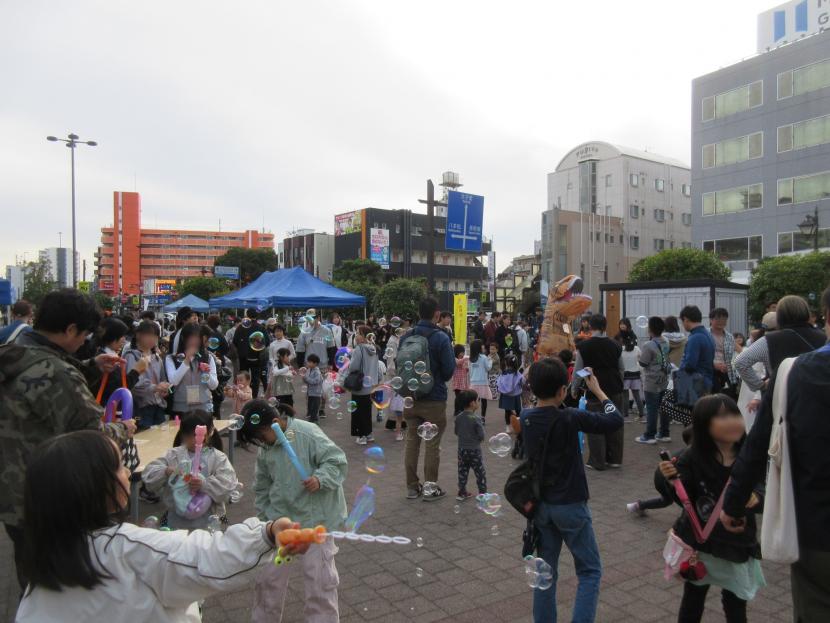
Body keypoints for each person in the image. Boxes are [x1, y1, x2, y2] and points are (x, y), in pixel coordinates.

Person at [16, 429, 307, 622]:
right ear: (91, 486)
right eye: (119, 465)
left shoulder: (39, 573)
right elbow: (207, 557)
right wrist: (267, 533)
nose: (127, 471)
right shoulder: (130, 548)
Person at [0, 289, 133, 593]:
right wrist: (123, 428)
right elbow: (93, 435)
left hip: (13, 491)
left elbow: (40, 388)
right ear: (71, 329)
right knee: (60, 583)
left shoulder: (15, 353)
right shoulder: (57, 374)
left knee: (31, 573)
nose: (84, 342)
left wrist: (90, 366)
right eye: (84, 335)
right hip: (50, 495)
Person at [721, 286, 830, 622]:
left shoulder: (789, 366)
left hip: (815, 524)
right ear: (812, 316)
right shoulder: (812, 342)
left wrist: (734, 503)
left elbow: (755, 447)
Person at [520, 358, 623, 623]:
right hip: (571, 505)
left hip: (542, 508)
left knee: (545, 572)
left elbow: (546, 411)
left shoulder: (526, 417)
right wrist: (598, 391)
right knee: (589, 571)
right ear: (562, 391)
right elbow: (615, 419)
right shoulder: (570, 417)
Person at [238, 400, 348, 623]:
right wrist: (265, 523)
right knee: (268, 582)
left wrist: (320, 478)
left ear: (275, 422)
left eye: (261, 436)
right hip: (280, 522)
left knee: (320, 584)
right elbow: (262, 486)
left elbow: (336, 461)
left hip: (316, 521)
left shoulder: (307, 433)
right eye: (257, 439)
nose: (261, 442)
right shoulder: (266, 448)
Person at [658, 394, 765, 622]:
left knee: (736, 604)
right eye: (722, 417)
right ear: (704, 425)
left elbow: (762, 487)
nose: (733, 421)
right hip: (700, 544)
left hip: (736, 542)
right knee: (693, 599)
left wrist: (756, 497)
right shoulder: (691, 457)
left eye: (735, 414)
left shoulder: (750, 456)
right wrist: (671, 480)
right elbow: (683, 499)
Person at [142, 412, 238, 530]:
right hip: (176, 523)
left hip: (206, 523)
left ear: (210, 432)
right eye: (189, 435)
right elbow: (149, 475)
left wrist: (204, 484)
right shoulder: (174, 455)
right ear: (182, 435)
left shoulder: (218, 458)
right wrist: (166, 471)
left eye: (197, 435)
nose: (194, 440)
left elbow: (228, 484)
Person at [403, 297, 456, 501]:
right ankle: (430, 488)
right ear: (437, 314)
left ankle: (411, 487)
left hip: (411, 396)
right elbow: (449, 371)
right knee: (432, 444)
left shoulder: (407, 336)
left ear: (418, 313)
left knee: (412, 442)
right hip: (434, 398)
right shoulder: (441, 337)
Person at [734, 295, 825, 396]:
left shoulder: (769, 340)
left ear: (780, 315)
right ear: (806, 313)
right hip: (819, 397)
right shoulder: (823, 337)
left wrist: (760, 385)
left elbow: (740, 362)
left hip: (781, 396)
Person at [572, 314, 625, 471]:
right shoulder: (616, 345)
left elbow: (578, 371)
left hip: (594, 389)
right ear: (605, 327)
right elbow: (621, 368)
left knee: (595, 424)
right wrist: (618, 382)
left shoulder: (584, 346)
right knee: (615, 423)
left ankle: (598, 461)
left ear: (590, 326)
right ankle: (615, 459)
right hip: (615, 389)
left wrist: (574, 388)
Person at [627, 425, 693, 516]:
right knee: (687, 504)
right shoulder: (692, 455)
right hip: (665, 478)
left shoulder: (691, 451)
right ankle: (638, 506)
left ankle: (638, 505)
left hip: (662, 475)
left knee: (667, 500)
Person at [124, 320, 169, 431]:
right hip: (141, 408)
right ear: (138, 335)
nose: (152, 339)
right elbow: (134, 384)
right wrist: (156, 387)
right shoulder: (131, 356)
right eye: (148, 335)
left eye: (155, 336)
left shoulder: (157, 358)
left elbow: (163, 379)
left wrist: (165, 389)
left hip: (158, 406)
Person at [165, 323, 218, 417]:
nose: (194, 342)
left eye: (197, 339)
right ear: (183, 339)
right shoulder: (171, 358)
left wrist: (206, 373)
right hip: (181, 408)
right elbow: (173, 381)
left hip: (204, 407)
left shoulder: (208, 357)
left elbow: (213, 386)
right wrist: (186, 361)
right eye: (191, 339)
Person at [635, 316, 671, 444]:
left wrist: (638, 359)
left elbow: (643, 363)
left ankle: (650, 435)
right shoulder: (666, 341)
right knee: (664, 407)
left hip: (652, 381)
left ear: (650, 329)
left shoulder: (648, 345)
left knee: (652, 409)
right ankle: (664, 433)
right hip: (664, 379)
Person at [347, 325, 380, 444]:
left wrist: (348, 363)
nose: (356, 336)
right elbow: (377, 368)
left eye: (359, 334)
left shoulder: (359, 349)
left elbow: (353, 367)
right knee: (367, 411)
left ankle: (361, 436)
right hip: (371, 385)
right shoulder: (374, 348)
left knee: (358, 411)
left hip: (360, 385)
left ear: (365, 337)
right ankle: (369, 434)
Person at [454, 389, 486, 502]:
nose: (478, 402)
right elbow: (481, 435)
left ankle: (462, 492)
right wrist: (479, 439)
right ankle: (483, 494)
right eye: (477, 400)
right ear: (472, 403)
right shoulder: (476, 418)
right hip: (474, 450)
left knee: (462, 471)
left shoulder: (458, 417)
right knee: (480, 472)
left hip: (462, 450)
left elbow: (456, 432)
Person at [90, 317, 131, 404]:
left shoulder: (109, 354)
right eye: (122, 336)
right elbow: (117, 387)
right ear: (112, 336)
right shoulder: (104, 359)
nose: (124, 340)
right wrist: (137, 371)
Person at [233, 309, 270, 398]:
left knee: (243, 377)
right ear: (257, 316)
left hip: (243, 357)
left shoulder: (240, 327)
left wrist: (241, 349)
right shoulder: (260, 327)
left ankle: (243, 395)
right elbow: (267, 342)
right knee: (255, 378)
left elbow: (235, 341)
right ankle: (253, 397)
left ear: (247, 315)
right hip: (256, 356)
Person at [679, 305, 715, 393]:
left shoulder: (695, 338)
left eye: (682, 321)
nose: (683, 325)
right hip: (707, 381)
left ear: (686, 319)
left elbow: (690, 365)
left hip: (696, 385)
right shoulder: (708, 334)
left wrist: (679, 369)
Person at [708, 308, 738, 398]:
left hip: (726, 372)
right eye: (718, 318)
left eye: (724, 319)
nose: (721, 321)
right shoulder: (705, 334)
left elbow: (734, 355)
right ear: (711, 320)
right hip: (709, 372)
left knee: (727, 398)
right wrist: (714, 365)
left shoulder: (729, 336)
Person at [497, 354, 524, 434]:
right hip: (516, 395)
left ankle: (508, 426)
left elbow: (499, 383)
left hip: (506, 396)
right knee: (518, 411)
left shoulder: (503, 373)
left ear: (506, 363)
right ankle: (519, 426)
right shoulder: (517, 373)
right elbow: (522, 382)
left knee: (507, 411)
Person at [467, 339, 493, 422]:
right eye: (482, 345)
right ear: (479, 347)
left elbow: (470, 371)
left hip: (473, 383)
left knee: (473, 401)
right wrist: (490, 360)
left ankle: (471, 416)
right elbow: (488, 368)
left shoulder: (470, 358)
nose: (483, 346)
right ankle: (483, 418)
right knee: (483, 401)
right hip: (483, 382)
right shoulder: (483, 357)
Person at [620, 336, 644, 420]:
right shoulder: (637, 349)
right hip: (636, 375)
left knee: (625, 396)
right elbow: (641, 359)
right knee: (637, 395)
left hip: (625, 376)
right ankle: (641, 414)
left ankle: (625, 415)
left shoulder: (621, 349)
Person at [302, 353, 323, 423]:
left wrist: (306, 378)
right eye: (308, 361)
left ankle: (313, 419)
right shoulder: (309, 369)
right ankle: (312, 416)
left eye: (310, 362)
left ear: (315, 363)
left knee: (315, 406)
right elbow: (307, 380)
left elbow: (315, 381)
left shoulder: (317, 372)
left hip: (316, 393)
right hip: (310, 392)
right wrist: (304, 379)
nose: (308, 363)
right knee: (310, 405)